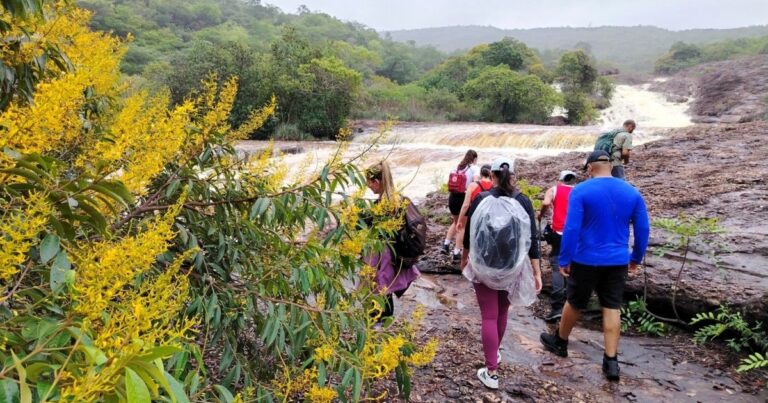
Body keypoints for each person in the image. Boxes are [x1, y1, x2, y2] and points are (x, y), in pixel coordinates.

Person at [539, 150, 649, 382]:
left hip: (585, 259)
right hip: (617, 260)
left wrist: (565, 259)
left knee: (575, 301)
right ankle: (611, 362)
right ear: (609, 166)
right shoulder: (632, 192)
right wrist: (636, 258)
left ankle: (560, 342)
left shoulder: (581, 191)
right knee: (611, 307)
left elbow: (571, 228)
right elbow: (642, 230)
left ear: (589, 168)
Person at [464, 157, 542, 390]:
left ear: (494, 176)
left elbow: (470, 233)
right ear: (513, 176)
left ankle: (491, 372)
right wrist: (537, 272)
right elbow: (532, 239)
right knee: (502, 313)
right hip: (512, 268)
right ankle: (494, 353)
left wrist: (464, 258)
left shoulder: (481, 199)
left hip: (484, 267)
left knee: (488, 315)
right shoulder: (523, 201)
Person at [363, 161, 420, 321]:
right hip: (394, 255)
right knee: (385, 291)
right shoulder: (399, 200)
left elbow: (372, 230)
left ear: (376, 181)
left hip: (382, 255)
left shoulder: (383, 206)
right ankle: (382, 324)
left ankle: (377, 326)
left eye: (369, 182)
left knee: (378, 291)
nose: (368, 186)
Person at [538, 170, 577, 323]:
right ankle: (571, 305)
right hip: (575, 233)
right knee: (572, 265)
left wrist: (541, 215)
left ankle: (556, 308)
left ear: (561, 180)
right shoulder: (578, 191)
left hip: (559, 232)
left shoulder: (554, 189)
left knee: (557, 265)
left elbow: (546, 203)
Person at [443, 150, 479, 262]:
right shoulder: (474, 168)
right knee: (462, 226)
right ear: (474, 159)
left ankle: (446, 244)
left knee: (456, 222)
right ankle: (457, 252)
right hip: (463, 198)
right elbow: (475, 182)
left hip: (452, 197)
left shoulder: (457, 167)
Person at [457, 164, 493, 270]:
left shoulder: (473, 185)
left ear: (480, 174)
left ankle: (468, 262)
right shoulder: (494, 187)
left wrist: (459, 220)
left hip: (474, 217)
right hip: (489, 218)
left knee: (471, 239)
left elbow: (465, 205)